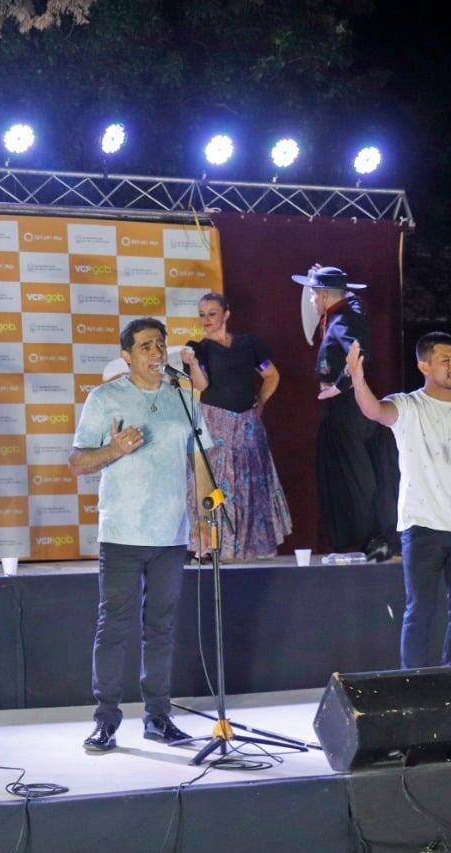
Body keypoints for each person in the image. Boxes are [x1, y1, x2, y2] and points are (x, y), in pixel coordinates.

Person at [69, 317, 214, 752]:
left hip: (171, 533)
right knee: (113, 627)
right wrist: (114, 449)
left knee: (162, 629)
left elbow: (201, 460)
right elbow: (77, 461)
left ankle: (158, 717)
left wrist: (205, 516)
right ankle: (106, 721)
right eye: (146, 346)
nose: (156, 353)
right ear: (127, 356)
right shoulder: (104, 397)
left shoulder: (184, 398)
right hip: (122, 533)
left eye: (160, 345)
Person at [346, 332, 451, 671]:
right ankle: (413, 684)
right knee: (421, 608)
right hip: (423, 524)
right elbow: (374, 411)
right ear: (424, 365)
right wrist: (358, 380)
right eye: (446, 360)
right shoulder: (409, 404)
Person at [293, 264, 398, 562]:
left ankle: (375, 539)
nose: (312, 301)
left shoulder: (343, 319)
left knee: (357, 474)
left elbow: (361, 353)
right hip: (347, 405)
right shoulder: (344, 312)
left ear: (324, 295)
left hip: (349, 406)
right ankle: (371, 538)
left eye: (314, 294)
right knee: (355, 472)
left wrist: (340, 386)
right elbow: (352, 306)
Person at [184, 292, 292, 560]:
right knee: (212, 482)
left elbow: (270, 375)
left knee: (249, 483)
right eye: (202, 315)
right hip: (215, 424)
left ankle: (248, 547)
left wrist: (261, 402)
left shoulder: (249, 344)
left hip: (247, 425)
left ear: (226, 314)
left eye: (211, 313)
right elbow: (202, 386)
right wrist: (193, 364)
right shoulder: (198, 349)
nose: (206, 320)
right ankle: (208, 547)